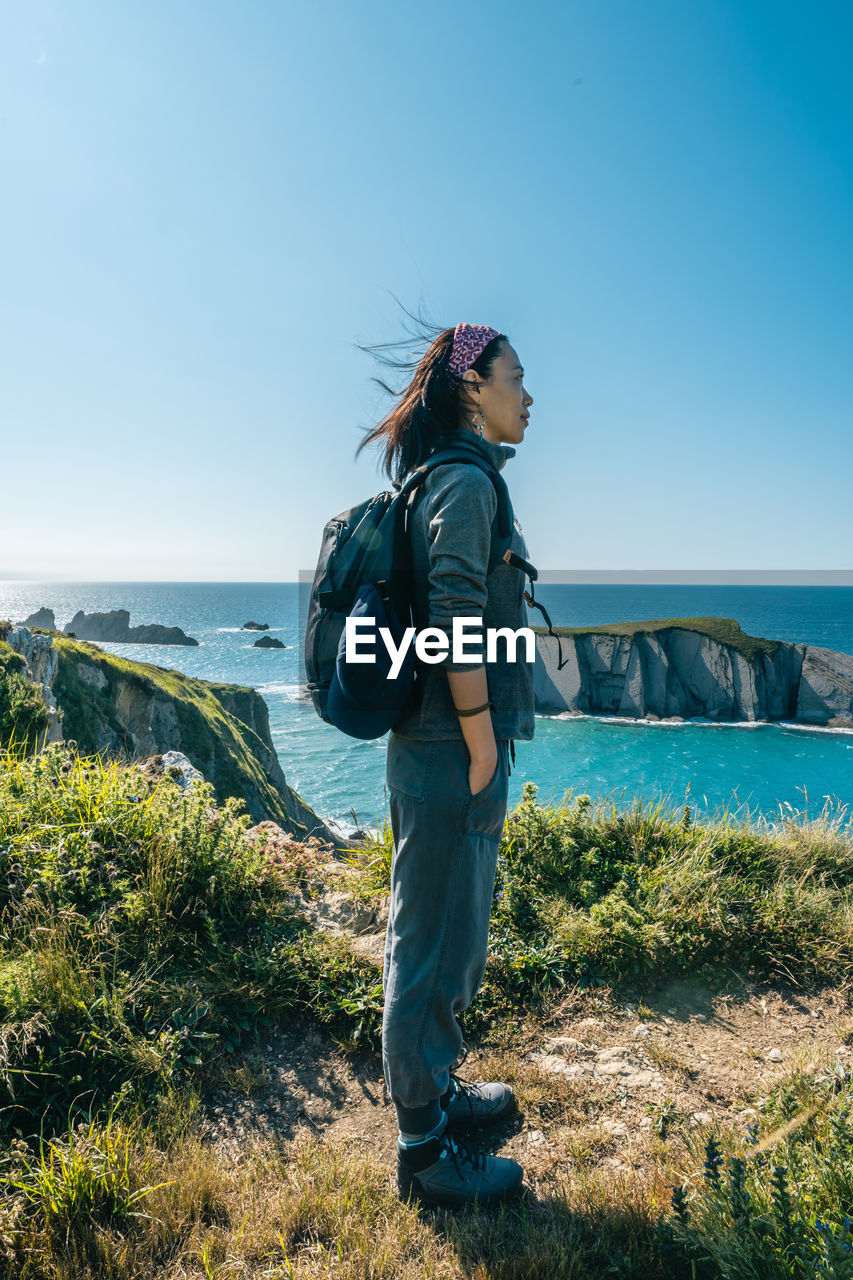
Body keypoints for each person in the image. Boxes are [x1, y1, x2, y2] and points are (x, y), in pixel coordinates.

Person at [356, 320, 536, 1208]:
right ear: (472, 388)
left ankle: (440, 1088)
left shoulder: (458, 478)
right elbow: (459, 618)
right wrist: (476, 746)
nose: (528, 396)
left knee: (451, 936)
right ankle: (423, 1153)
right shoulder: (464, 483)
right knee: (427, 947)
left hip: (441, 747)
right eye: (515, 377)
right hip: (445, 748)